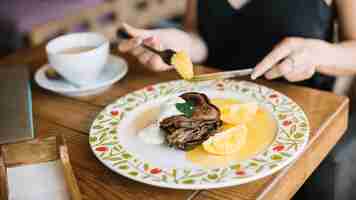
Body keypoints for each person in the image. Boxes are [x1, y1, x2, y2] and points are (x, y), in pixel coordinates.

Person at [118, 1, 356, 199]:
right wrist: (177, 45)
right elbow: (199, 39)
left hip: (305, 129)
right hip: (215, 129)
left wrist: (317, 53)